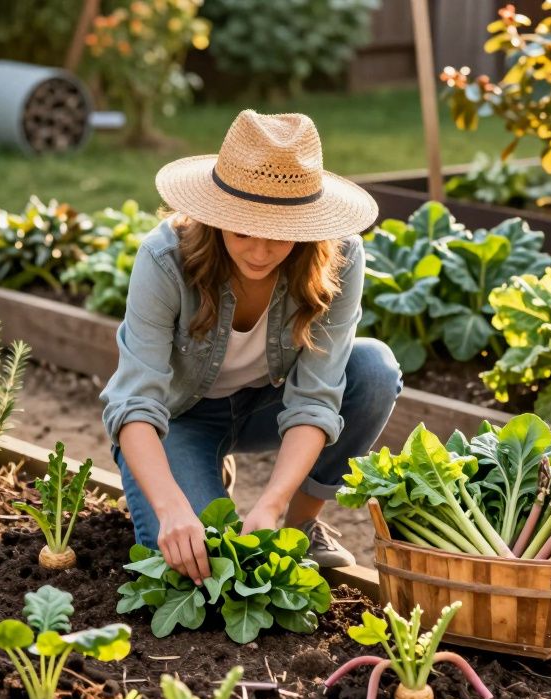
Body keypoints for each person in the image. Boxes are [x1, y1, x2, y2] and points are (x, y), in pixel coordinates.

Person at [100, 110, 402, 584]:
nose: (259, 253)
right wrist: (172, 508)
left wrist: (273, 507)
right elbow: (134, 401)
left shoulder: (338, 258)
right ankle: (188, 476)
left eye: (280, 236)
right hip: (183, 419)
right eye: (242, 231)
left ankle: (305, 526)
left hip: (269, 406)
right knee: (205, 572)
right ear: (215, 214)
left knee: (374, 369)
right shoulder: (164, 258)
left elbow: (317, 397)